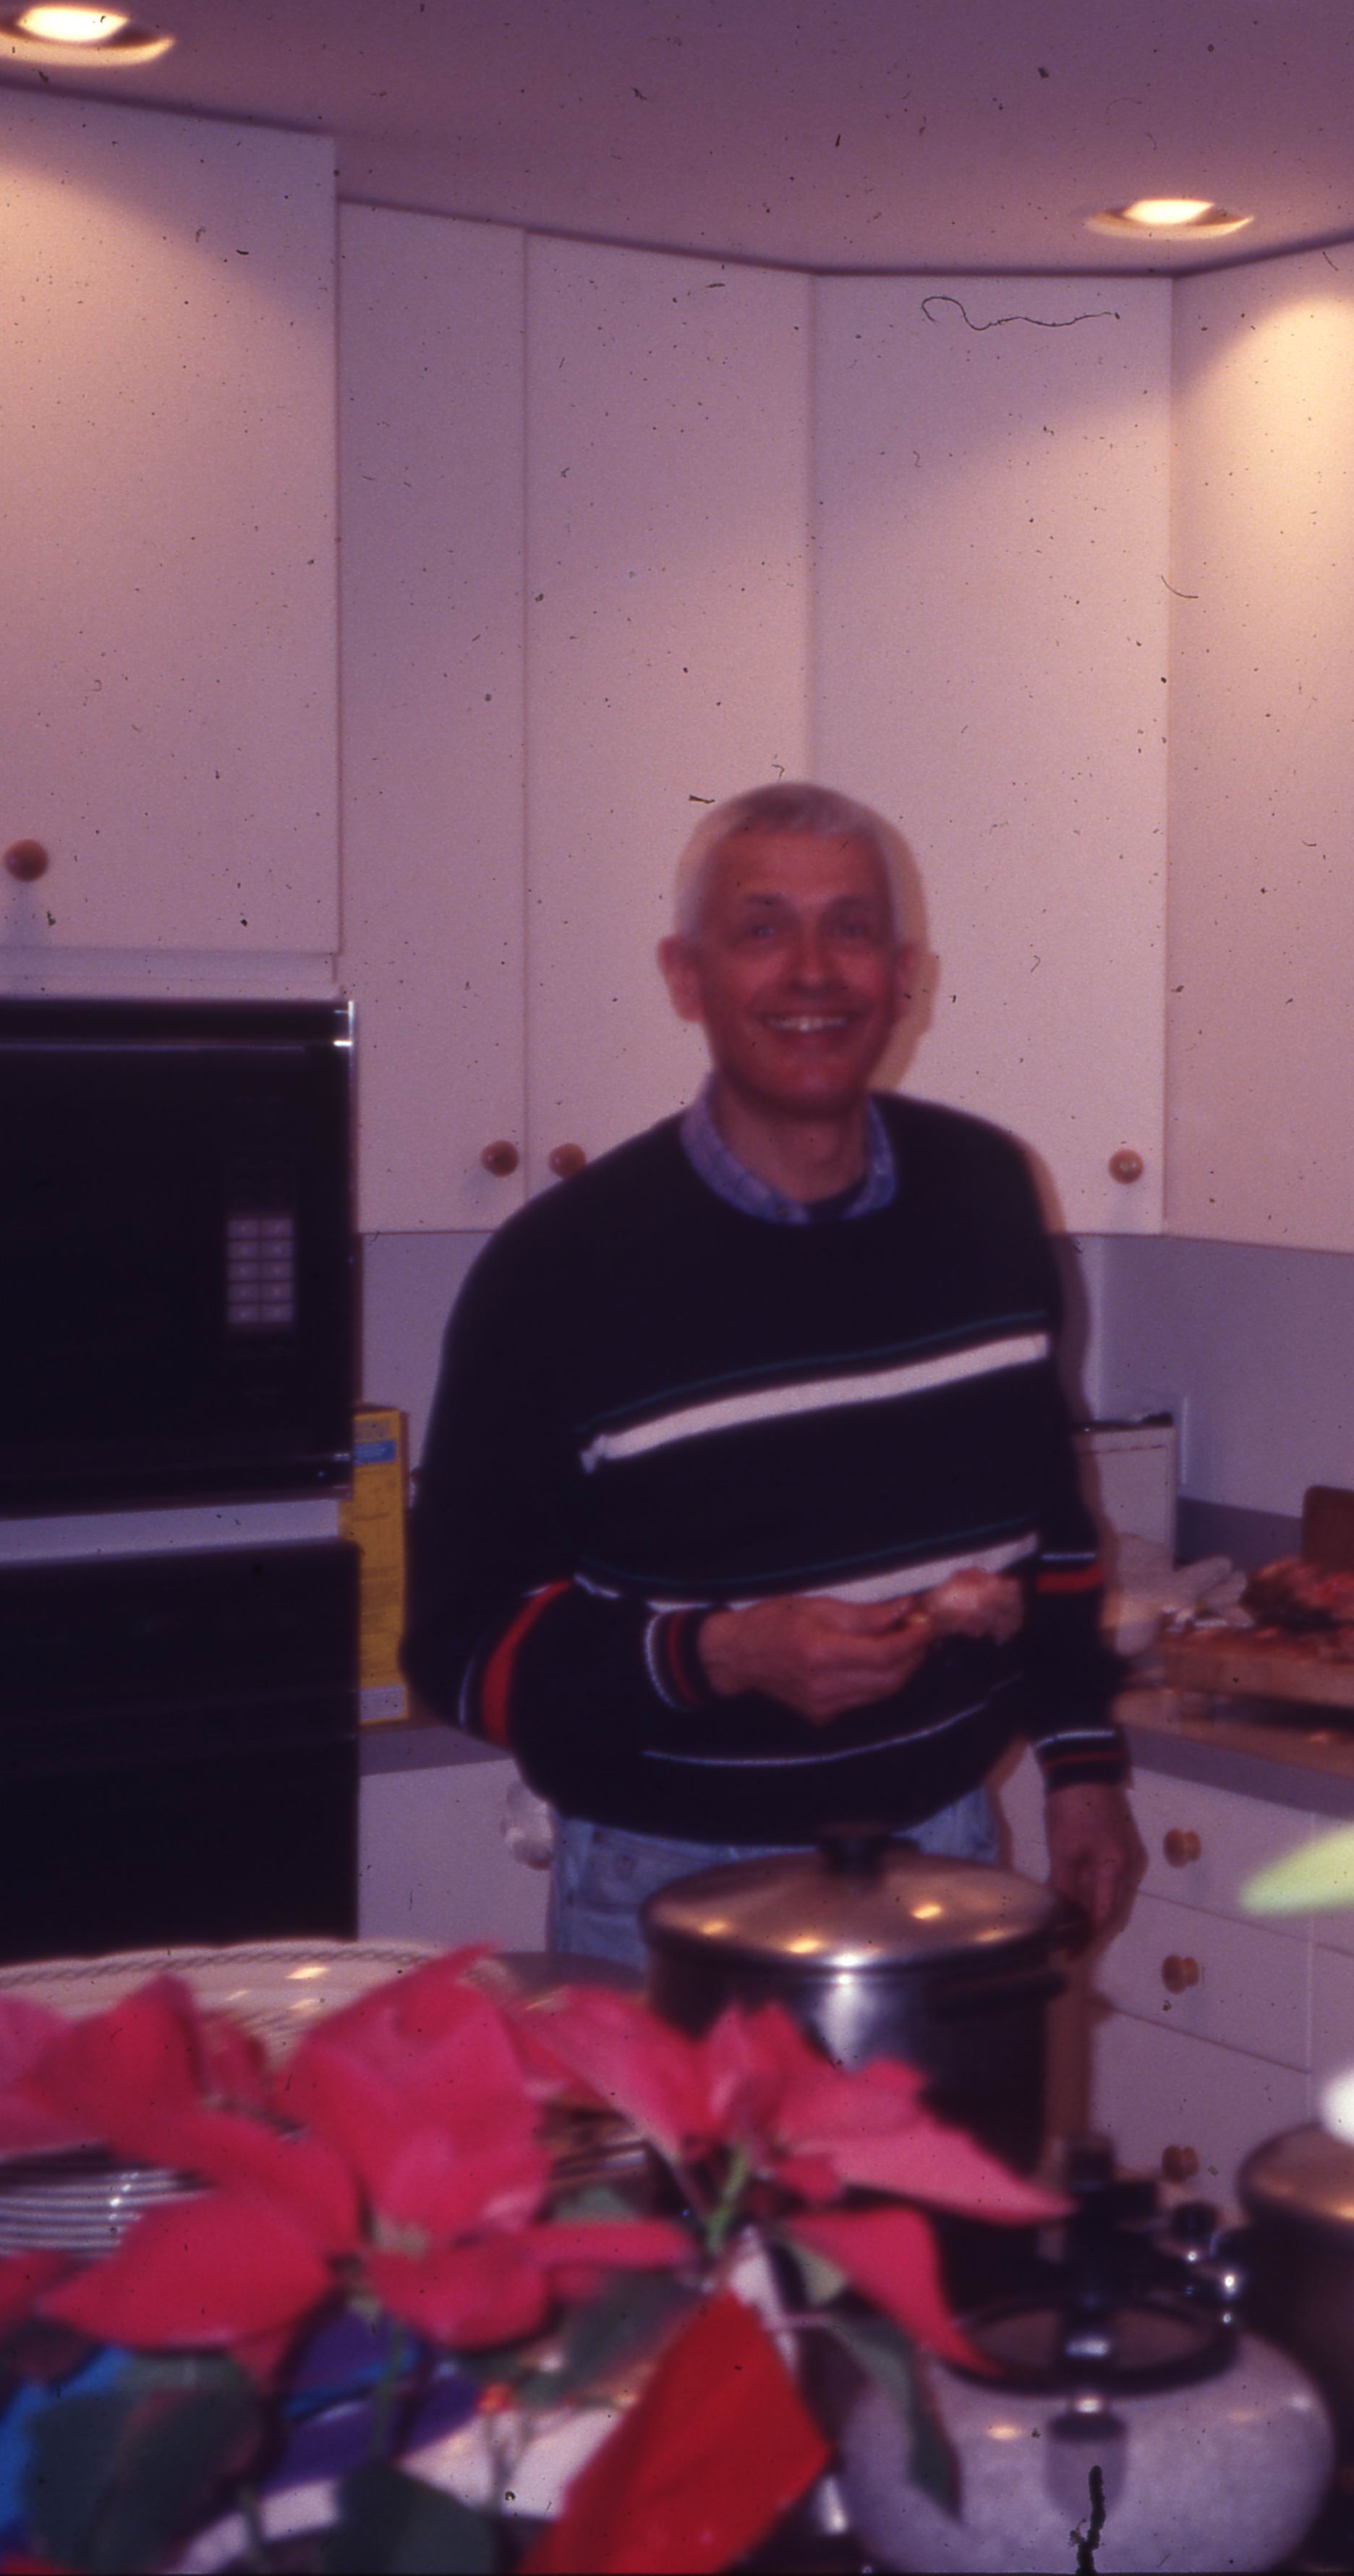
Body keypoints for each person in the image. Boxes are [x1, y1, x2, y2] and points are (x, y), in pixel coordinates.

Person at [404, 783, 1145, 1962]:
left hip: (943, 1854)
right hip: (665, 1890)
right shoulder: (559, 1267)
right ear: (686, 975)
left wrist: (1081, 1763)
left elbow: (1048, 1535)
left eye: (850, 929)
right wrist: (720, 1655)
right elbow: (456, 1647)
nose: (812, 971)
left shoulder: (989, 1194)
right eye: (762, 929)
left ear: (902, 975)